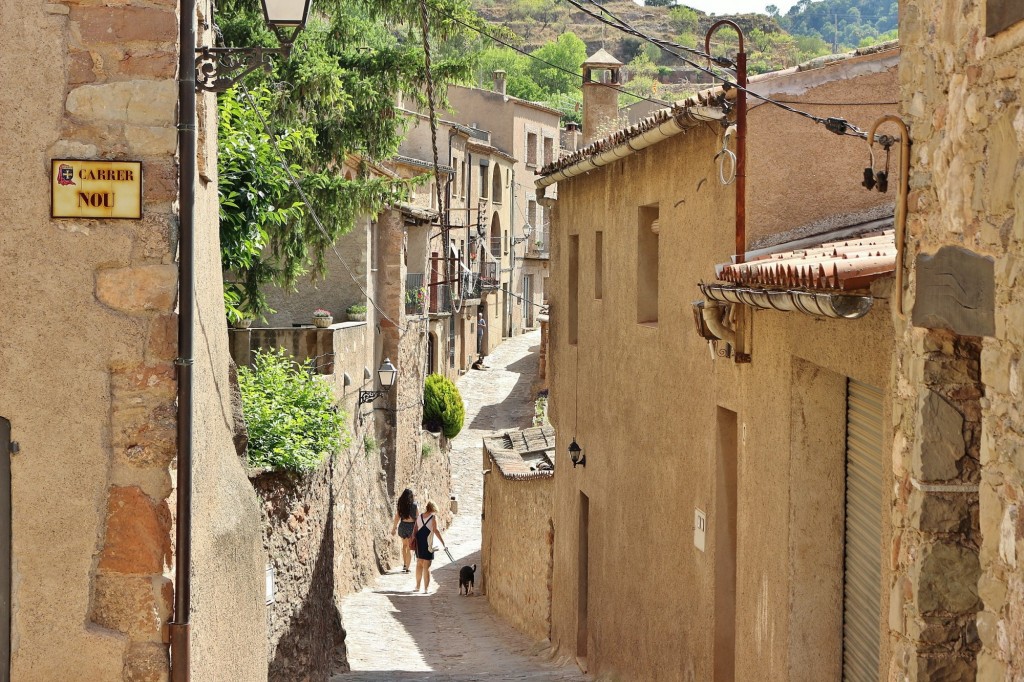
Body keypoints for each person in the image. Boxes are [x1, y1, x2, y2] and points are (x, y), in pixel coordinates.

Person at [413, 501, 445, 593]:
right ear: (433, 508)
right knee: (427, 566)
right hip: (428, 542)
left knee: (419, 564)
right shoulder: (433, 518)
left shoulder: (419, 517)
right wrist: (442, 542)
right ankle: (426, 589)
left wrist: (414, 541)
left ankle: (417, 586)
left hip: (419, 542)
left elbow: (415, 530)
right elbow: (436, 531)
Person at [391, 489, 418, 573]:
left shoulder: (401, 505)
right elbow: (418, 517)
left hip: (402, 526)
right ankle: (407, 568)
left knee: (404, 546)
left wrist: (394, 528)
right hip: (411, 527)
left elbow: (397, 518)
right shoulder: (414, 505)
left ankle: (405, 564)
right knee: (410, 548)